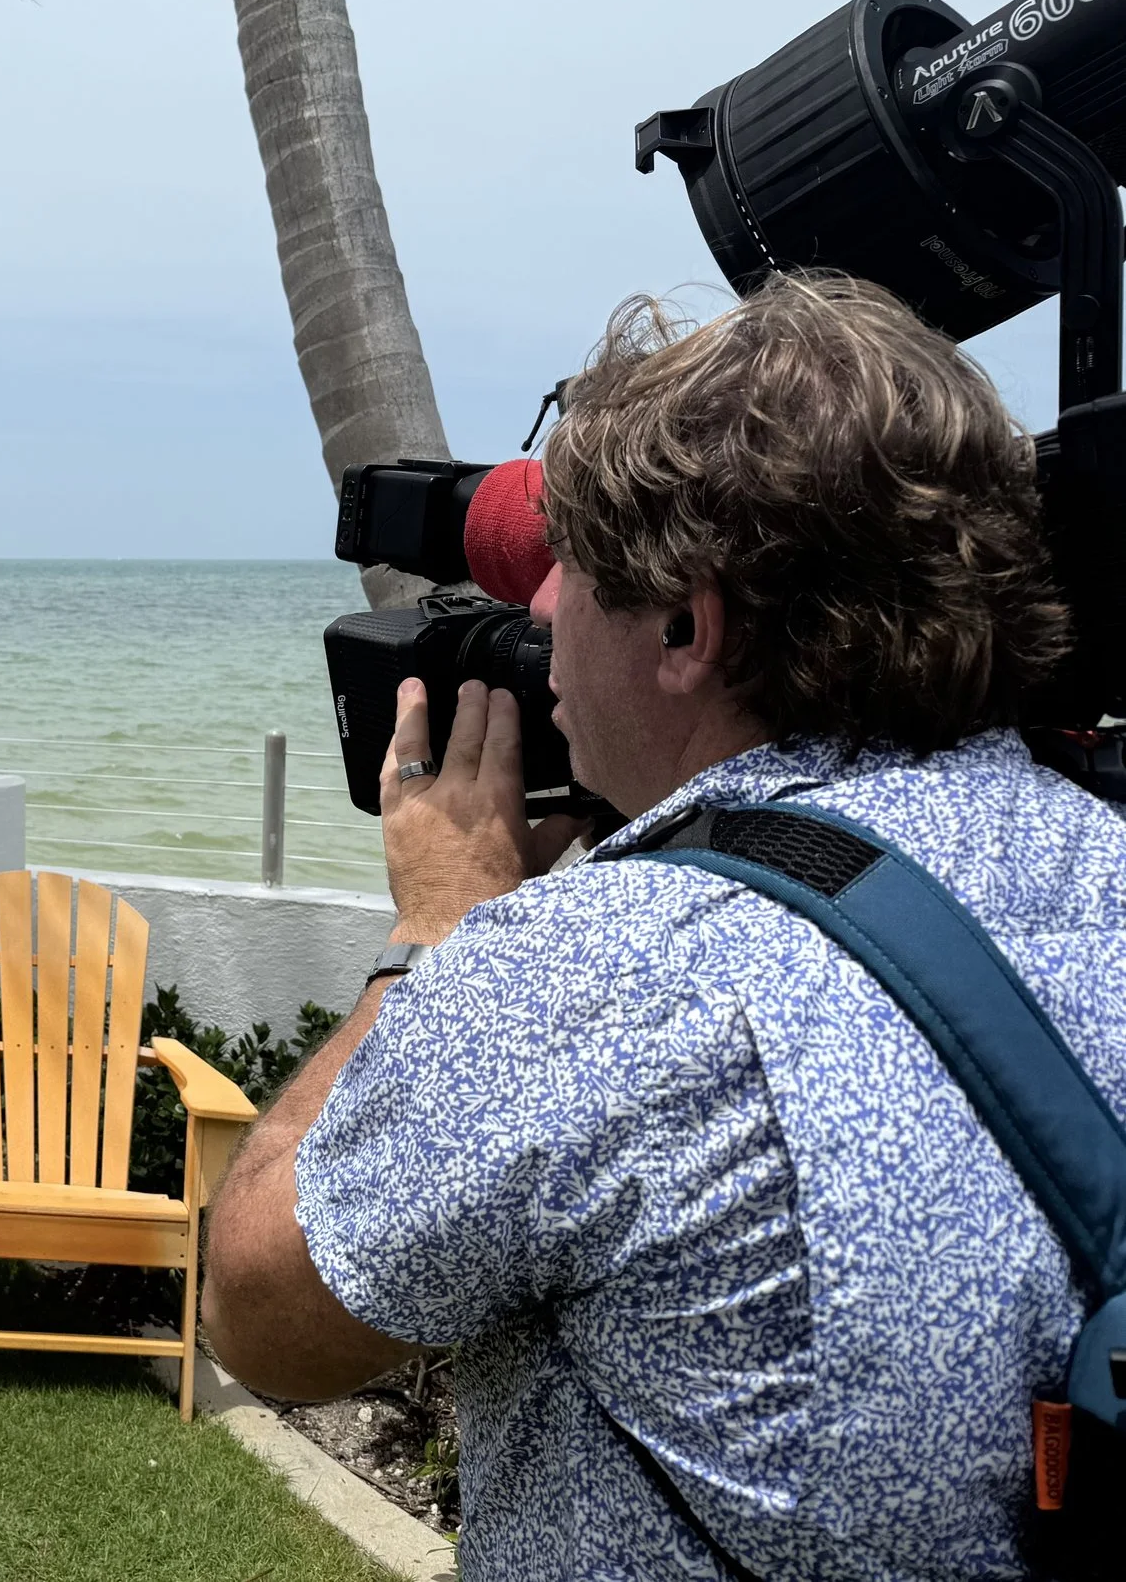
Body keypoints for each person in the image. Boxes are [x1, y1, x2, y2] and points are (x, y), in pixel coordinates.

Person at [202, 273, 1124, 1578]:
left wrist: (441, 930)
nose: (534, 612)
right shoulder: (1097, 848)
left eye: (568, 567)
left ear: (688, 624)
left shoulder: (599, 977)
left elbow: (258, 1311)